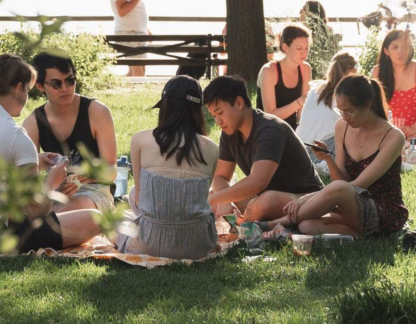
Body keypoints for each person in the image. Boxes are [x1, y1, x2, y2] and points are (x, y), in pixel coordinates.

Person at [0, 53, 102, 252]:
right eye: (28, 91)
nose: (27, 98)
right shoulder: (16, 136)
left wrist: (35, 160)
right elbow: (35, 210)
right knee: (95, 219)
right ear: (19, 87)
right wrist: (52, 183)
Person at [275, 75, 408, 238]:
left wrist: (304, 200)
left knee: (339, 191)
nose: (344, 117)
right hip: (350, 207)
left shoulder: (393, 136)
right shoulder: (342, 127)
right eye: (340, 111)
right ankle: (362, 236)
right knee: (307, 226)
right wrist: (328, 158)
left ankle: (273, 224)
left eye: (350, 111)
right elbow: (341, 181)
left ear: (367, 104)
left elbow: (356, 186)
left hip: (382, 210)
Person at [117, 76, 219, 260]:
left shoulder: (140, 140)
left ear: (165, 107)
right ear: (198, 110)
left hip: (150, 242)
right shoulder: (212, 148)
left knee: (119, 215)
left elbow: (140, 201)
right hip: (197, 244)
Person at [204, 76, 323, 222]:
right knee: (216, 197)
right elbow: (220, 177)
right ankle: (245, 221)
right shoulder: (229, 133)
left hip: (303, 198)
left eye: (220, 113)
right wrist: (221, 200)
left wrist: (216, 199)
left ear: (239, 103)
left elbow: (258, 182)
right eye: (213, 116)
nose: (218, 121)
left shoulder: (270, 129)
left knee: (265, 201)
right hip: (261, 196)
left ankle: (243, 226)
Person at [23, 52, 117, 212]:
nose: (65, 89)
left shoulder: (97, 112)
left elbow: (111, 171)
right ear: (40, 86)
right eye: (56, 84)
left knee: (61, 214)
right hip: (55, 190)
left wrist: (85, 177)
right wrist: (40, 164)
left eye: (70, 81)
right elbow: (25, 177)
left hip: (94, 191)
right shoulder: (33, 122)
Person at [371, 29, 416, 142]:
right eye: (395, 47)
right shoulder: (378, 71)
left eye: (405, 46)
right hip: (392, 128)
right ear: (386, 50)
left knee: (407, 146)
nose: (401, 51)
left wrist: (414, 128)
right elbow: (375, 106)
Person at [296, 52, 358, 167]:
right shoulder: (347, 94)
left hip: (299, 149)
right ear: (354, 71)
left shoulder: (315, 89)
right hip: (322, 150)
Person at [256, 24, 313, 130]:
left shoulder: (305, 69)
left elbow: (302, 114)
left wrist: (304, 133)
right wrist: (300, 101)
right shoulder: (269, 71)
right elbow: (270, 115)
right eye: (299, 48)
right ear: (285, 47)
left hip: (292, 130)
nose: (304, 53)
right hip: (266, 129)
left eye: (306, 48)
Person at [300, 0, 342, 78]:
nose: (300, 12)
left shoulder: (307, 31)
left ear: (312, 13)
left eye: (304, 10)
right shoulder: (328, 29)